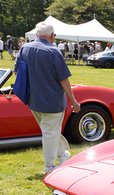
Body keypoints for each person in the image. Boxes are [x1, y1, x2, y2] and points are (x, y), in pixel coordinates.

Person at [15, 21, 80, 174]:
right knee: (50, 133)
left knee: (50, 131)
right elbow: (64, 79)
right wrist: (73, 100)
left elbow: (18, 72)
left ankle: (62, 155)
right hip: (52, 101)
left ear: (37, 34)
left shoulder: (24, 48)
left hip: (33, 100)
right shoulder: (53, 51)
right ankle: (49, 167)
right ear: (52, 36)